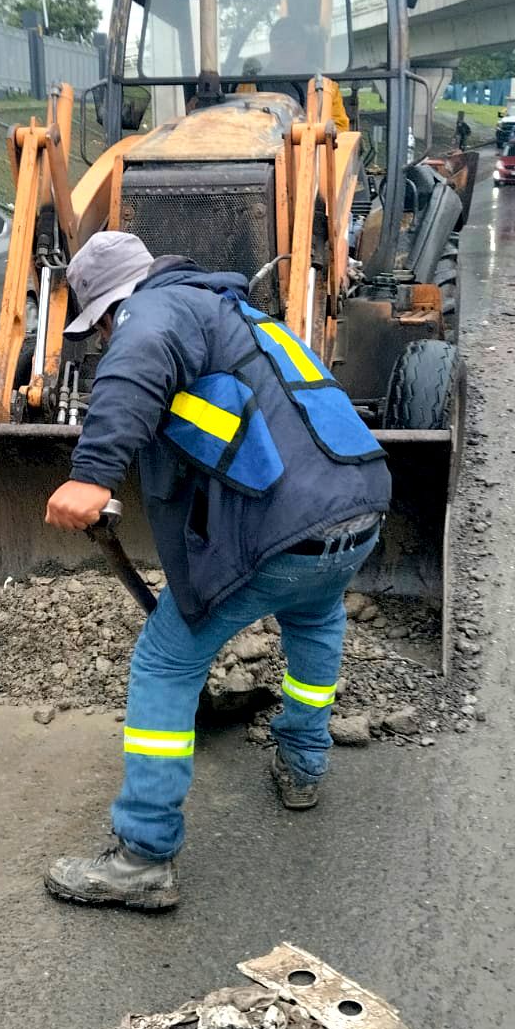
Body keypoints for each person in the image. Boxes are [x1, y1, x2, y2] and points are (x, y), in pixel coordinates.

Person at [42, 231, 391, 911]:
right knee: (315, 620)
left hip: (288, 527)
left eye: (103, 325)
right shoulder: (241, 316)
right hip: (360, 510)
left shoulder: (157, 310)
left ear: (113, 306)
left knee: (167, 660)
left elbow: (137, 361)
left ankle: (142, 855)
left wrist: (91, 475)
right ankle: (301, 767)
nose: (109, 336)